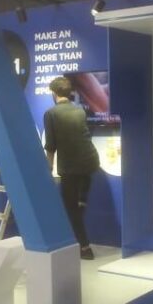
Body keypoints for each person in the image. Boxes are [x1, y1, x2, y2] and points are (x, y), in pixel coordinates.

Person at [44, 76, 101, 260]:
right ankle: (76, 235)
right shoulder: (80, 110)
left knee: (71, 210)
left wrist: (48, 169)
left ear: (54, 93)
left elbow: (50, 146)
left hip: (71, 167)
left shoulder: (51, 113)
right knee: (78, 206)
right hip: (90, 163)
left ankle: (85, 249)